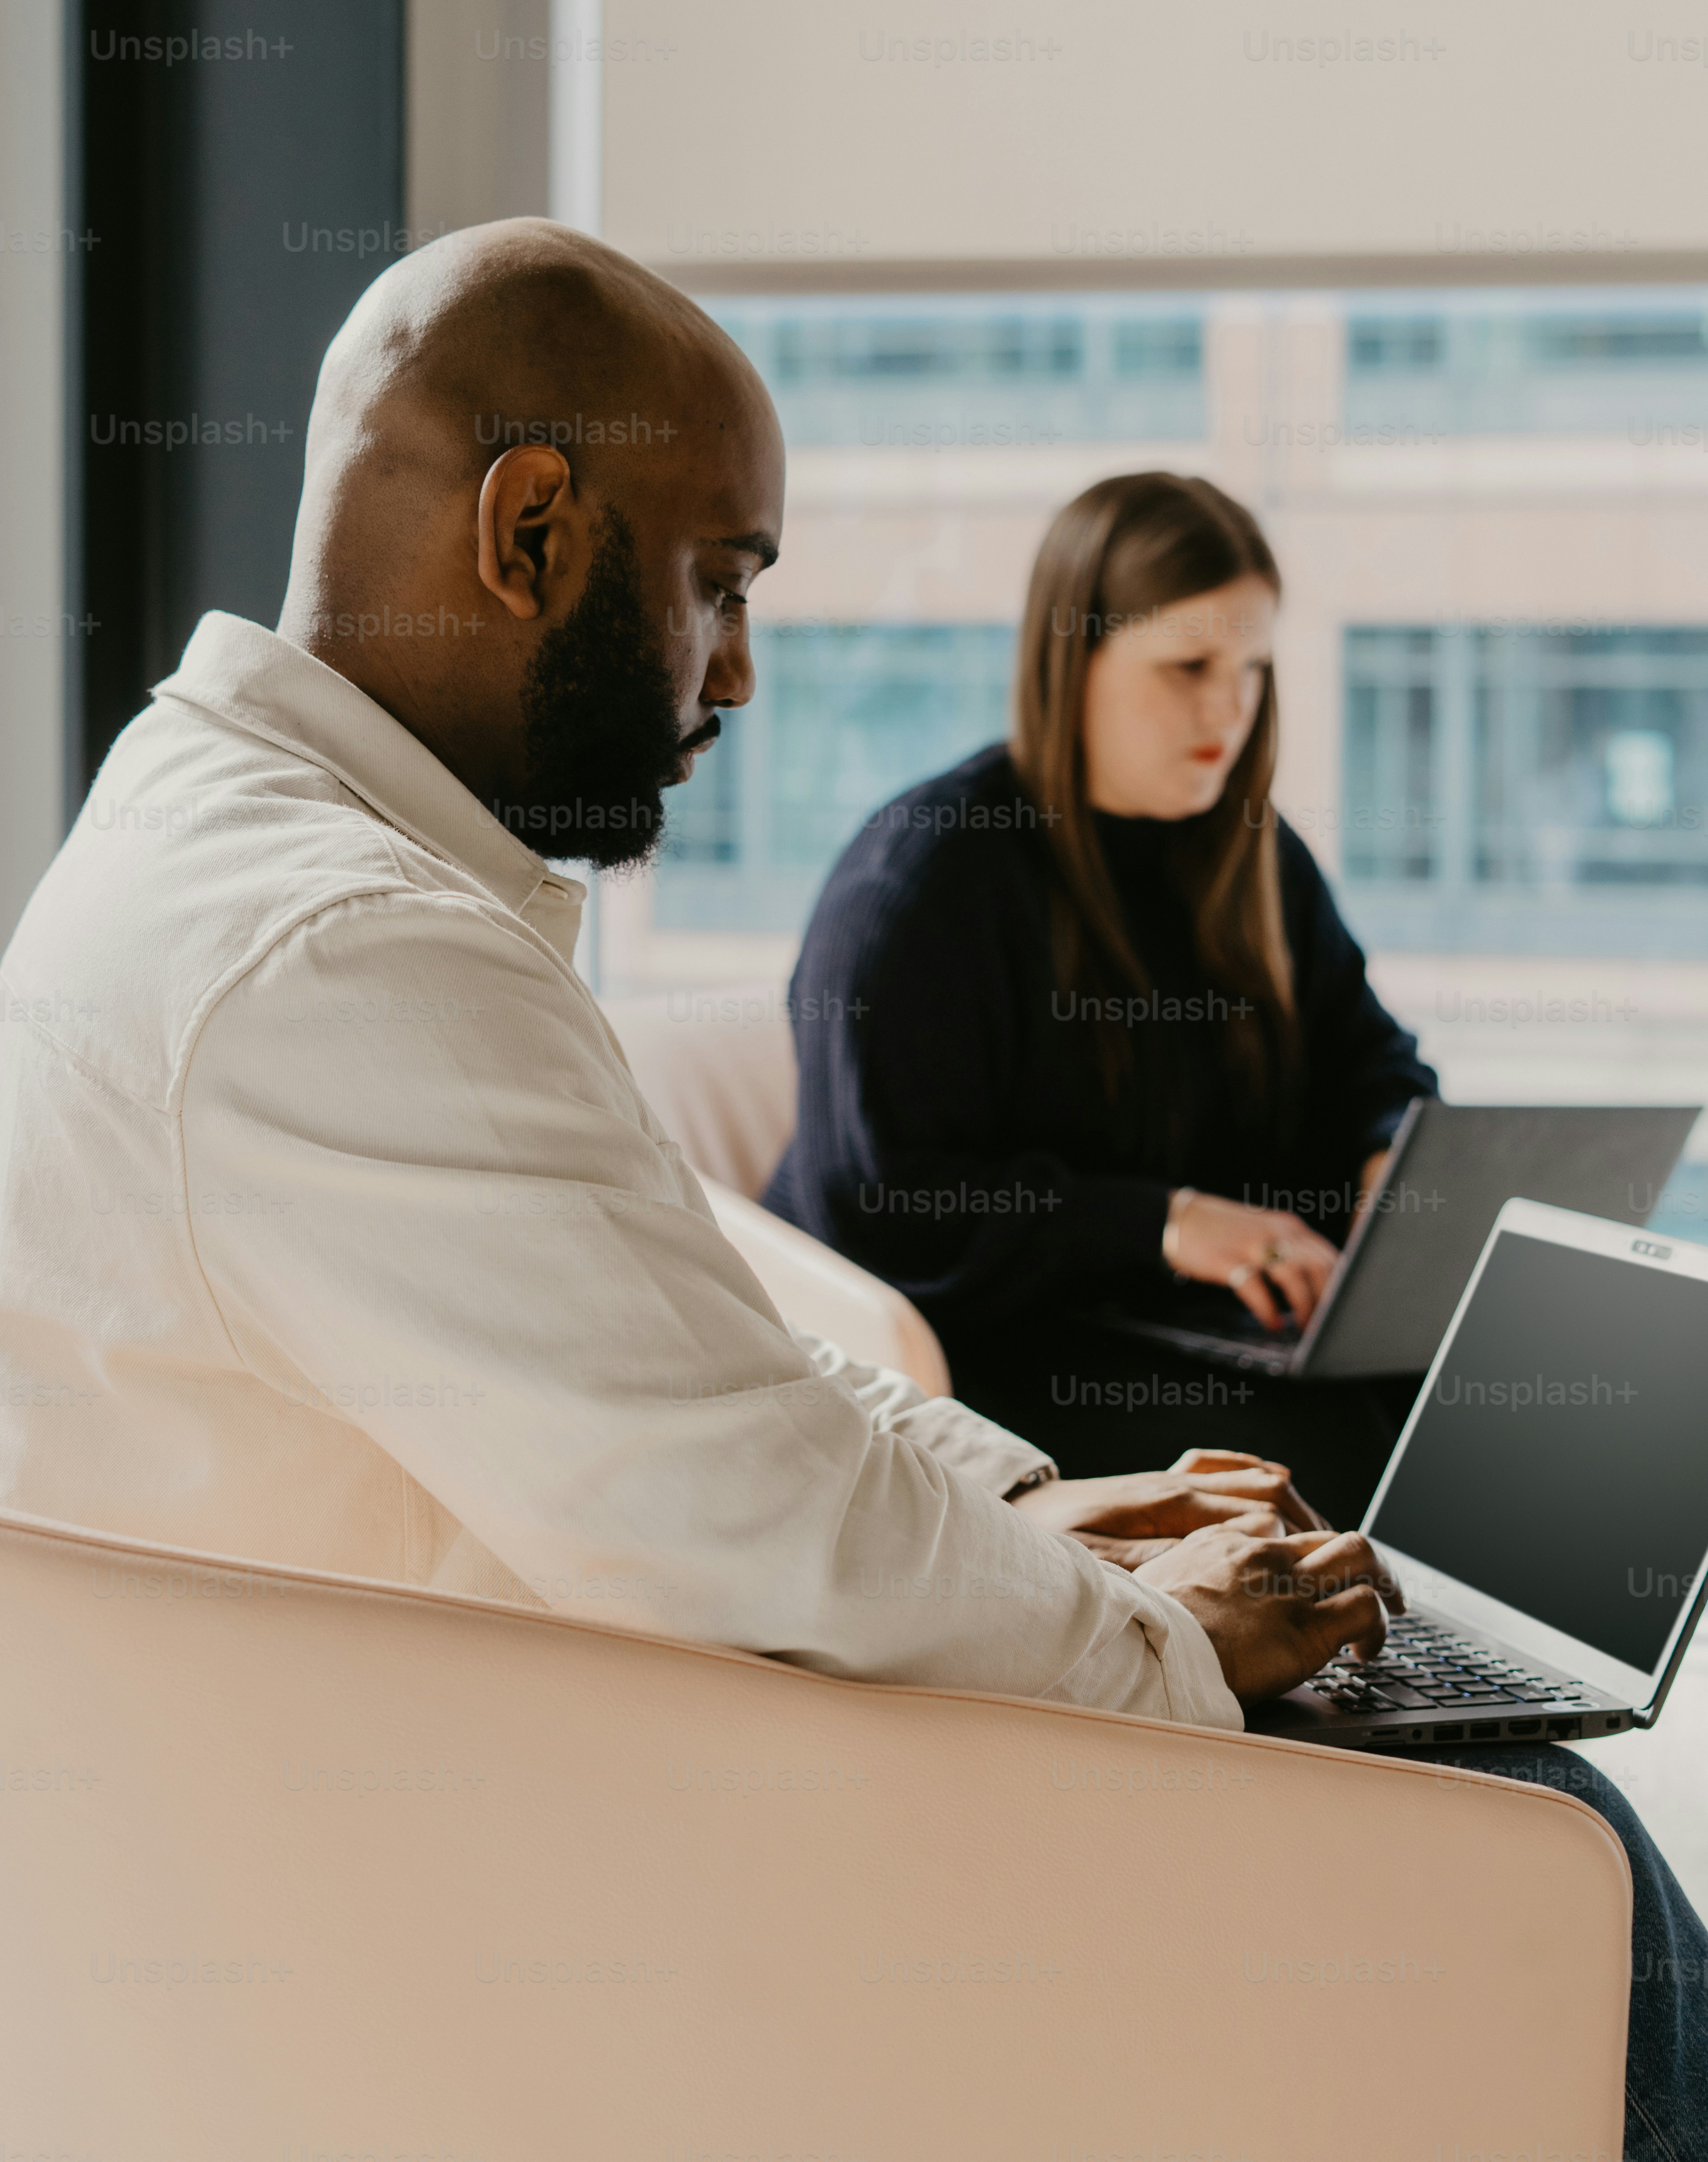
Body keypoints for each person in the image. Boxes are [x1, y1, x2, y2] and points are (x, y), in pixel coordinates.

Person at [0, 229, 1701, 2152]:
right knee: (1549, 1828)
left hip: (491, 1770)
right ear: (532, 527)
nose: (738, 668)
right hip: (546, 1865)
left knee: (1470, 1732)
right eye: (719, 582)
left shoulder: (245, 853)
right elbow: (753, 1509)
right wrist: (1155, 1630)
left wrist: (1048, 1502)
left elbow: (715, 1378)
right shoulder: (341, 953)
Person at [766, 471, 1440, 1524]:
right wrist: (1162, 1224)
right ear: (1074, 662)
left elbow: (1367, 1059)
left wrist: (1385, 1153)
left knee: (1470, 1403)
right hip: (987, 1351)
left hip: (1181, 1326)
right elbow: (888, 1201)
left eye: (1254, 669)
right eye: (1188, 666)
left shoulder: (1255, 854)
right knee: (1335, 1456)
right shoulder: (928, 879)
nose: (1231, 708)